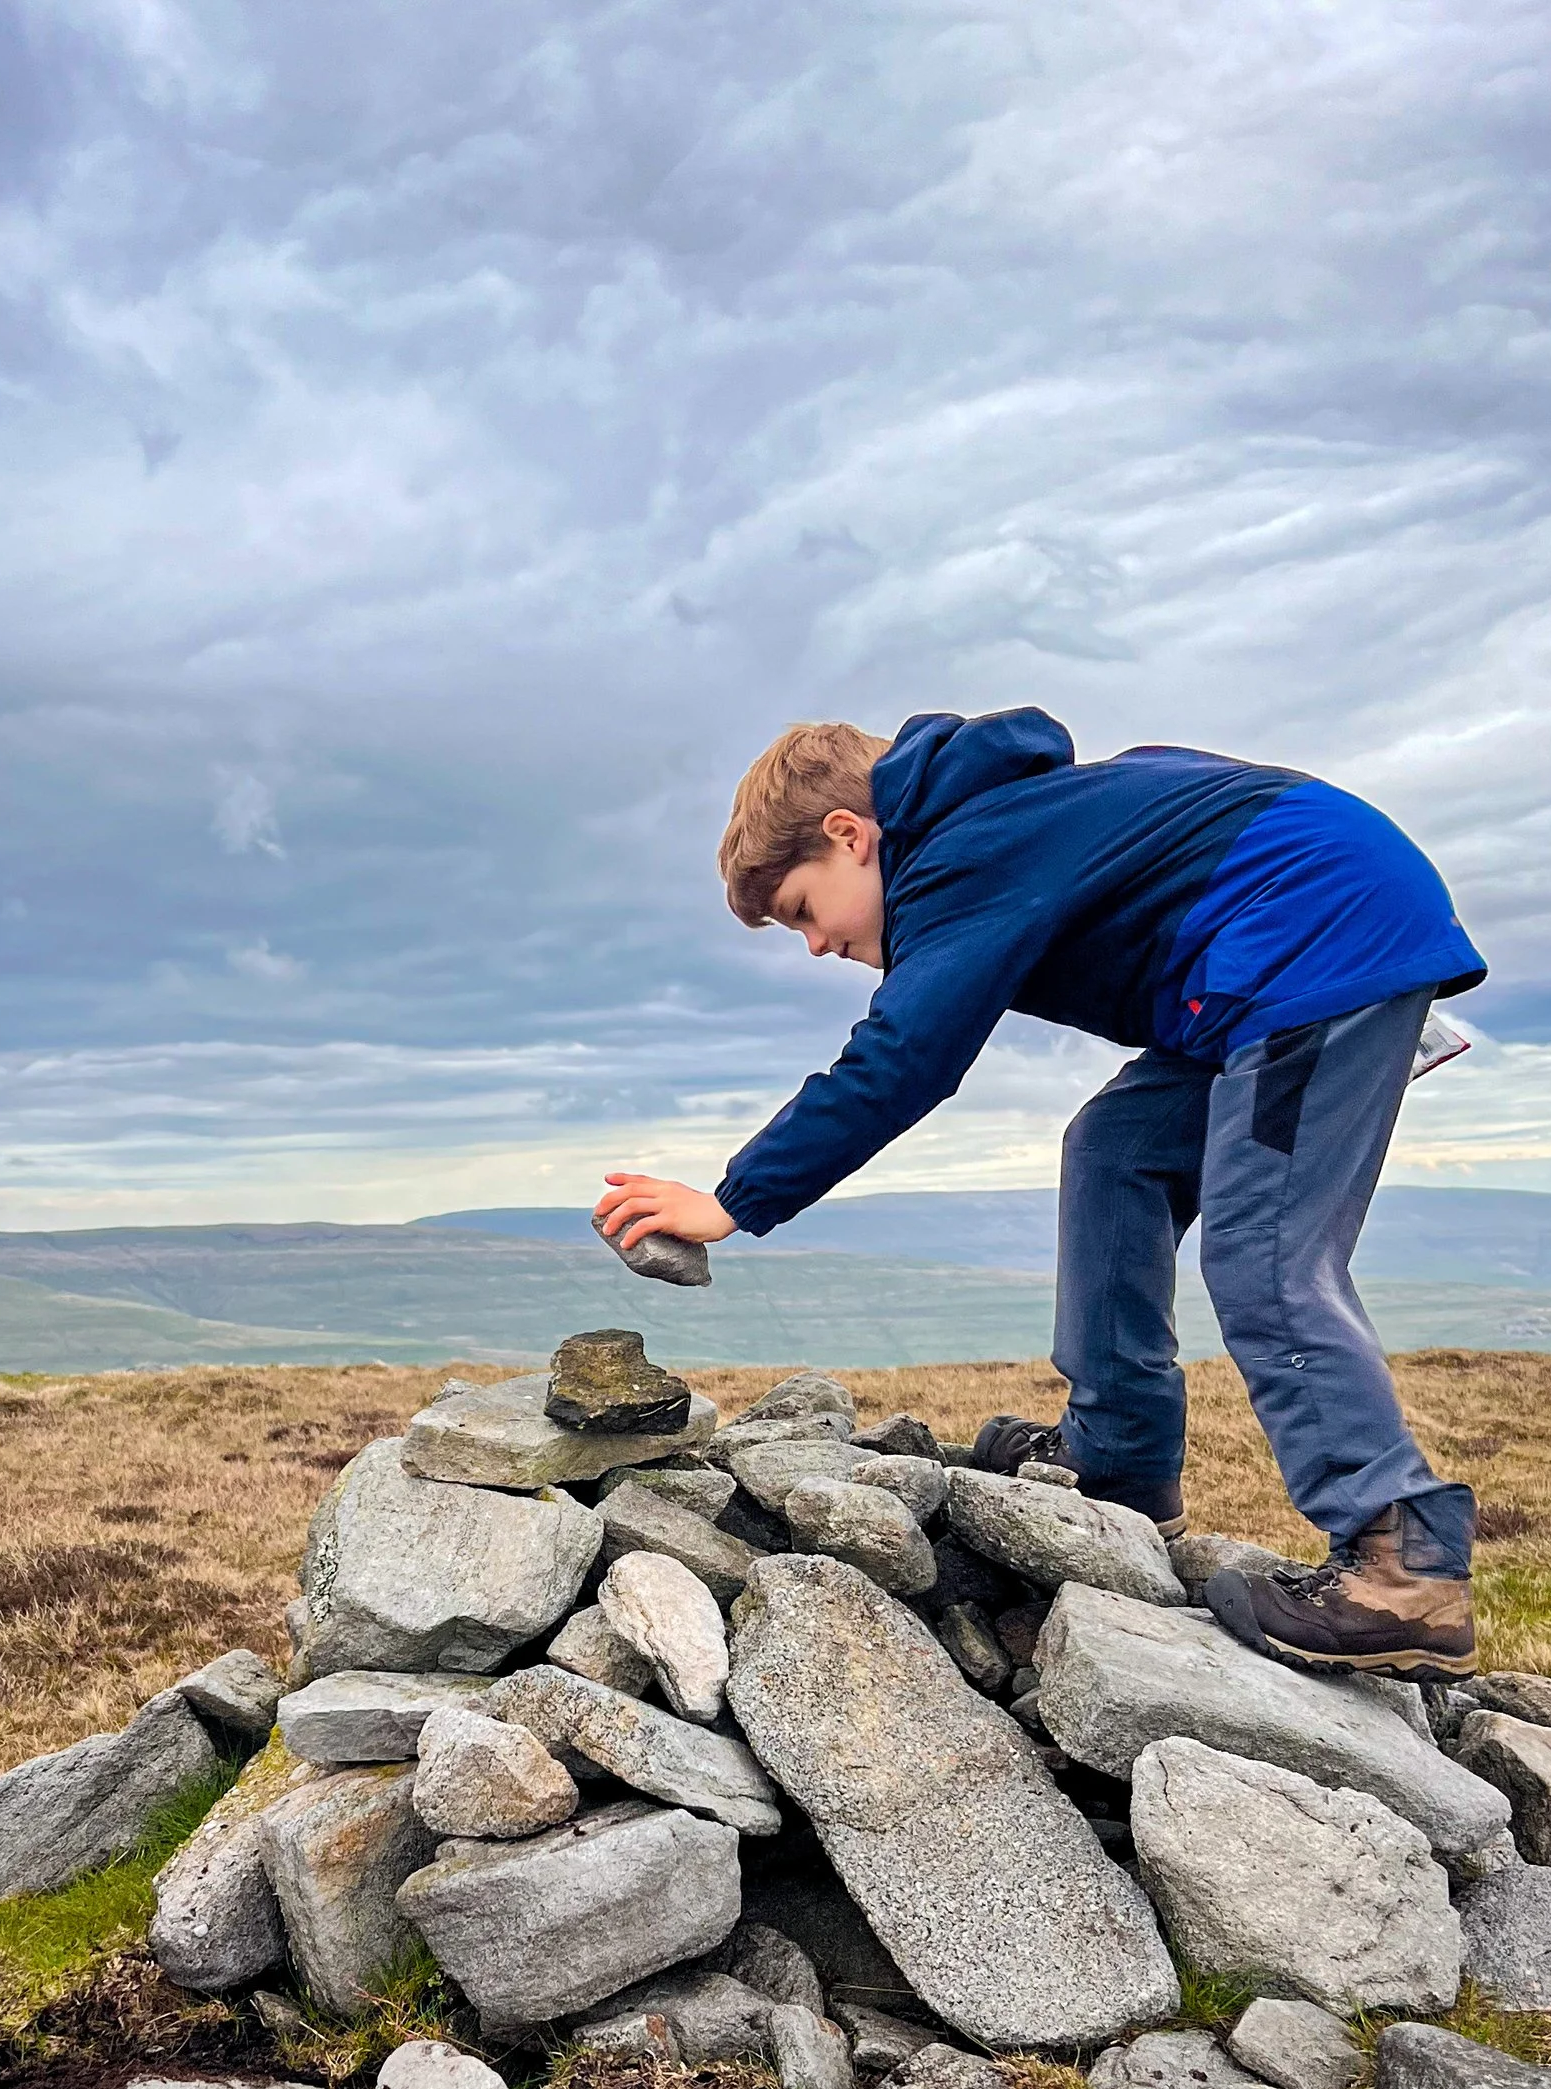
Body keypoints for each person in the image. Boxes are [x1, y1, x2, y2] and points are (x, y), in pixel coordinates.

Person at [594, 706, 1487, 1680]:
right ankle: (1120, 1465)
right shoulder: (999, 823)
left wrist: (731, 1199)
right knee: (1114, 1148)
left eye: (804, 910)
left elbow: (904, 1057)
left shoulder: (964, 850)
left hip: (1317, 946)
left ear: (850, 837)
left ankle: (1404, 1566)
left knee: (1264, 1254)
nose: (811, 946)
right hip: (1260, 965)